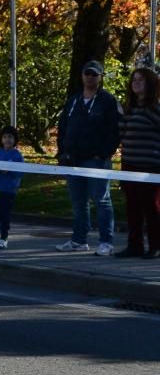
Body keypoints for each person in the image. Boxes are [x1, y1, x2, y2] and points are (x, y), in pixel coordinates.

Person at [55, 60, 122, 256]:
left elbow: (115, 131)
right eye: (87, 73)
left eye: (94, 74)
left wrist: (103, 153)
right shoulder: (74, 100)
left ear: (101, 77)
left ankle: (106, 242)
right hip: (73, 159)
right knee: (78, 202)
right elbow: (63, 127)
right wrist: (62, 151)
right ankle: (79, 240)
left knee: (101, 200)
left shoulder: (108, 101)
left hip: (96, 160)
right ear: (82, 75)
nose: (90, 77)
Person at [116, 67, 160, 258]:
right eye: (134, 80)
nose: (136, 83)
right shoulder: (130, 108)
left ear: (150, 84)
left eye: (141, 80)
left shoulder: (156, 108)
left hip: (150, 166)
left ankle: (156, 246)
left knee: (152, 208)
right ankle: (134, 245)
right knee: (132, 207)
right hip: (129, 165)